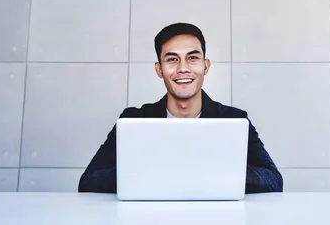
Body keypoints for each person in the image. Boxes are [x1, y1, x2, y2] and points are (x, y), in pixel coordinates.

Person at [78, 22, 283, 193]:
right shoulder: (134, 119)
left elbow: (274, 180)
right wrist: (153, 168)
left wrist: (209, 169)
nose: (183, 68)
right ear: (159, 69)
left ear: (206, 66)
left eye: (193, 58)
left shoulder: (234, 119)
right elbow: (88, 182)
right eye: (172, 59)